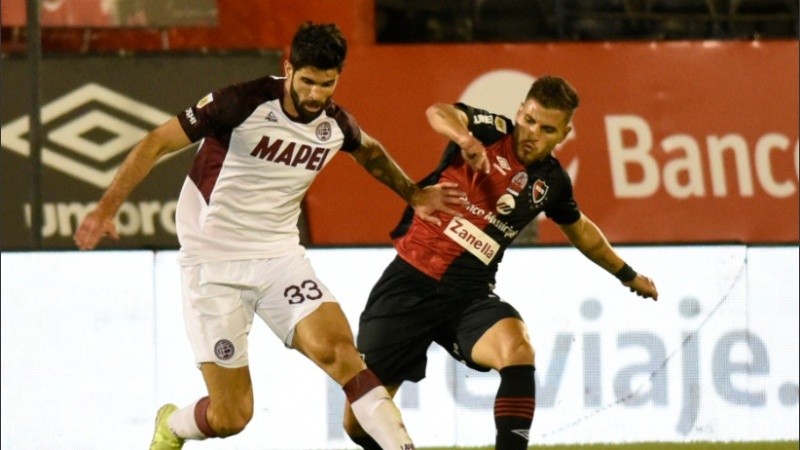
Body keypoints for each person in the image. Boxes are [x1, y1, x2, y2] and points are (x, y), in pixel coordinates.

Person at [73, 22, 466, 450]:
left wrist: (414, 193)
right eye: (308, 81)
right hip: (212, 264)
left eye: (327, 84)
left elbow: (369, 152)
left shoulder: (335, 124)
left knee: (341, 353)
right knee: (231, 416)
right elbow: (156, 142)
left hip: (280, 259)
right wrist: (105, 208)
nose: (316, 94)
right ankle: (172, 424)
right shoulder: (241, 102)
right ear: (289, 68)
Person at [342, 75, 659, 450]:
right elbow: (439, 112)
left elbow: (582, 232)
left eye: (547, 129)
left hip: (468, 296)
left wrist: (627, 275)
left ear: (564, 134)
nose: (532, 134)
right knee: (358, 425)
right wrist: (465, 140)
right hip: (408, 285)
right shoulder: (489, 131)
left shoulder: (552, 182)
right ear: (519, 112)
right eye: (529, 120)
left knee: (517, 347)